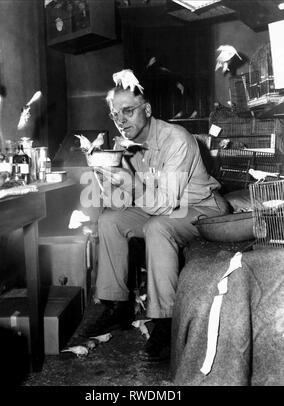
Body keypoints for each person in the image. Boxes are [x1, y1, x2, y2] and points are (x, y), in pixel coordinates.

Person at [84, 69, 229, 361]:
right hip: (165, 206)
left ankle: (166, 321)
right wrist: (106, 178)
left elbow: (163, 203)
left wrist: (131, 183)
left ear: (147, 109)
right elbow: (126, 202)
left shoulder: (176, 139)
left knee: (158, 227)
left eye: (128, 111)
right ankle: (117, 306)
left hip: (203, 208)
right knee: (110, 220)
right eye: (116, 115)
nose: (122, 121)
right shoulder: (130, 146)